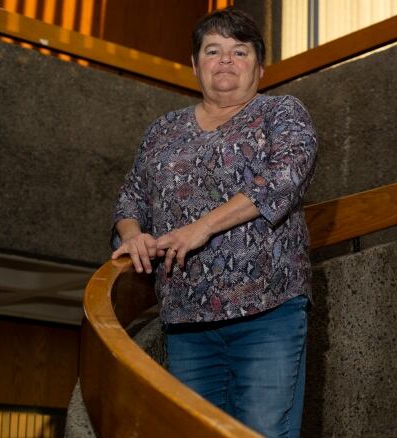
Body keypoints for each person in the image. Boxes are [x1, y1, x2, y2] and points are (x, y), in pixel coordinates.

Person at [110, 7, 317, 437]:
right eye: (213, 50)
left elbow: (284, 179)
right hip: (186, 320)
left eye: (239, 51)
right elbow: (131, 197)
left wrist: (201, 227)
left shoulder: (281, 113)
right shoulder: (162, 130)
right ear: (194, 64)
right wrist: (133, 237)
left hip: (268, 311)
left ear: (259, 67)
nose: (225, 60)